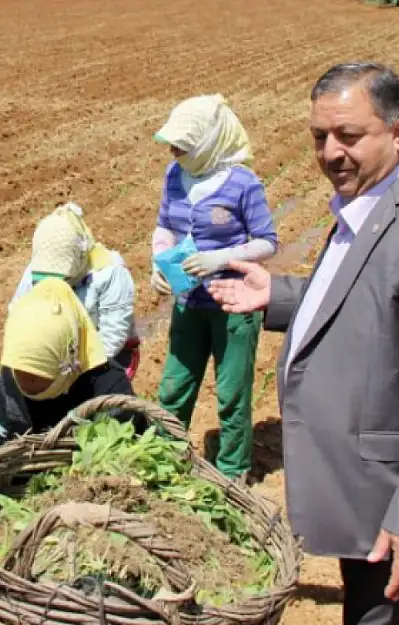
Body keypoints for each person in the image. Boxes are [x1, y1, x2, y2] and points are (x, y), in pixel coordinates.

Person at [209, 63, 399, 624]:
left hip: (397, 506)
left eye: (348, 135)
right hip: (362, 494)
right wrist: (281, 295)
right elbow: (370, 300)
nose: (331, 152)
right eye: (320, 136)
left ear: (398, 133)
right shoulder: (368, 204)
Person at [149, 93, 278, 482]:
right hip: (188, 300)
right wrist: (159, 259)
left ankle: (231, 472)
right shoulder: (175, 176)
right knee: (174, 386)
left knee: (232, 393)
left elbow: (268, 241)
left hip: (233, 305)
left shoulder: (243, 184)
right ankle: (161, 458)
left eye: (183, 145)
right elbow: (165, 226)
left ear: (208, 143)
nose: (174, 151)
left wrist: (220, 259)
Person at [0, 277, 140, 450]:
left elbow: (125, 443)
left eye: (40, 373)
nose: (28, 381)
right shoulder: (11, 374)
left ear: (67, 362)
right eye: (21, 371)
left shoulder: (107, 386)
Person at [10, 202, 141, 378]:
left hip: (105, 357)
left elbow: (112, 336)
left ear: (80, 259)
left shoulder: (109, 273)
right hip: (56, 353)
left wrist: (76, 370)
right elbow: (18, 309)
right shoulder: (38, 268)